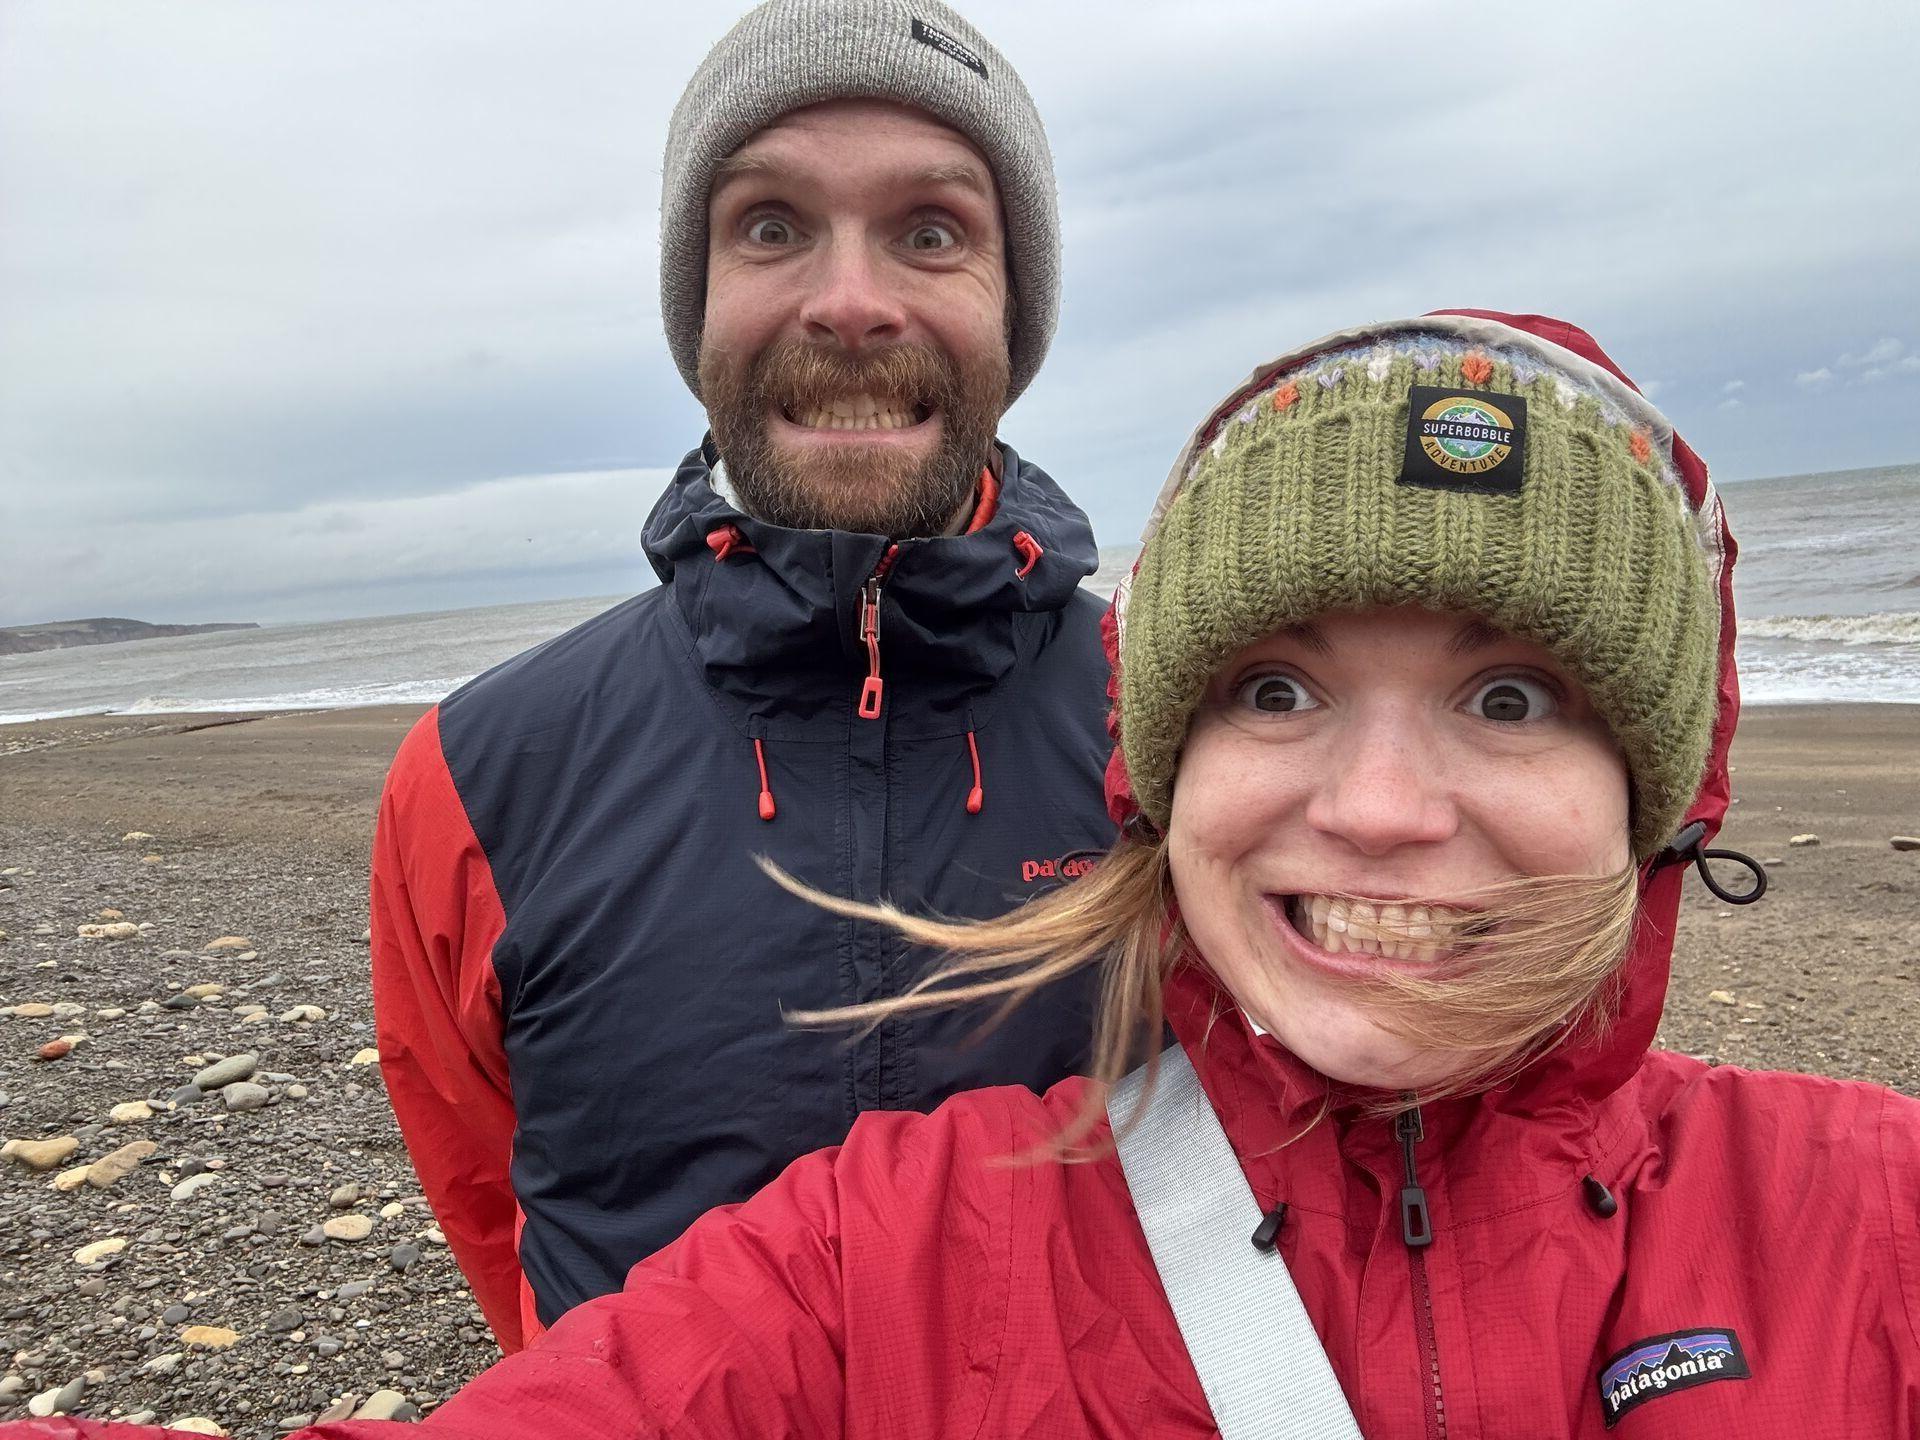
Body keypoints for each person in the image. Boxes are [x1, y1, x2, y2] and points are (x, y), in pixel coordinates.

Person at [19, 311, 1918, 1439]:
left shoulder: (1868, 1216)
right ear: (1159, 769)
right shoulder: (890, 1251)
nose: (1383, 805)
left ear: (1665, 787)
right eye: (1276, 688)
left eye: (1513, 696)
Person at [364, 0, 1113, 1355]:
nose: (849, 302)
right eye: (770, 226)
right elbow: (497, 1213)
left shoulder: (1192, 724)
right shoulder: (481, 772)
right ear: (694, 300)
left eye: (931, 231)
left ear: (1017, 307)